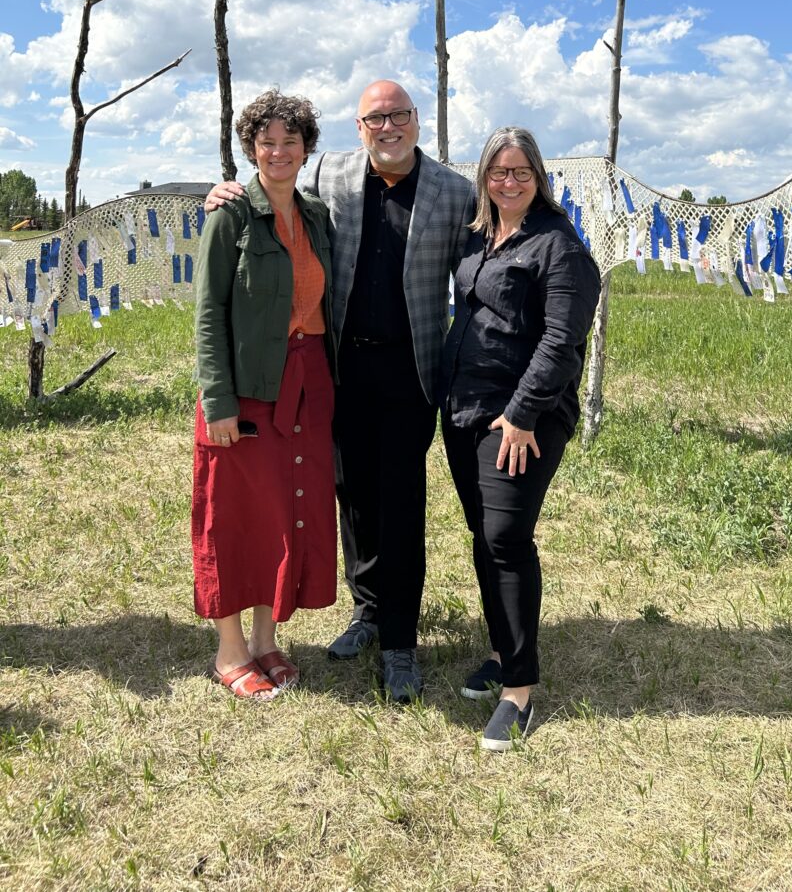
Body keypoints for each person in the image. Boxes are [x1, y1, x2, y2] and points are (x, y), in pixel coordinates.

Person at [205, 80, 474, 702]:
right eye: (375, 118)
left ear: (416, 120)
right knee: (350, 496)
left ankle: (400, 642)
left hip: (410, 372)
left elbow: (492, 250)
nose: (388, 127)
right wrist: (218, 191)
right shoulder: (329, 174)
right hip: (338, 371)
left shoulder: (455, 191)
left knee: (399, 501)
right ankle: (367, 610)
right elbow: (266, 192)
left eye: (398, 115)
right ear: (359, 128)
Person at [439, 127, 600, 750]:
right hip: (465, 409)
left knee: (506, 537)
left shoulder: (559, 246)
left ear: (538, 177)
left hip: (522, 418)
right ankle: (503, 651)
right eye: (498, 172)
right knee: (484, 534)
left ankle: (520, 692)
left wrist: (523, 414)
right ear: (484, 177)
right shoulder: (479, 235)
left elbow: (562, 340)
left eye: (521, 172)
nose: (508, 182)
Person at [193, 90, 337, 701]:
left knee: (285, 508)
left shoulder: (317, 216)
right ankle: (230, 651)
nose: (278, 152)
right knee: (233, 515)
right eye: (266, 142)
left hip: (307, 381)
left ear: (306, 149)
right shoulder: (229, 216)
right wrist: (218, 402)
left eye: (290, 141)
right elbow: (208, 312)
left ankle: (265, 638)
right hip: (248, 386)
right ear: (250, 149)